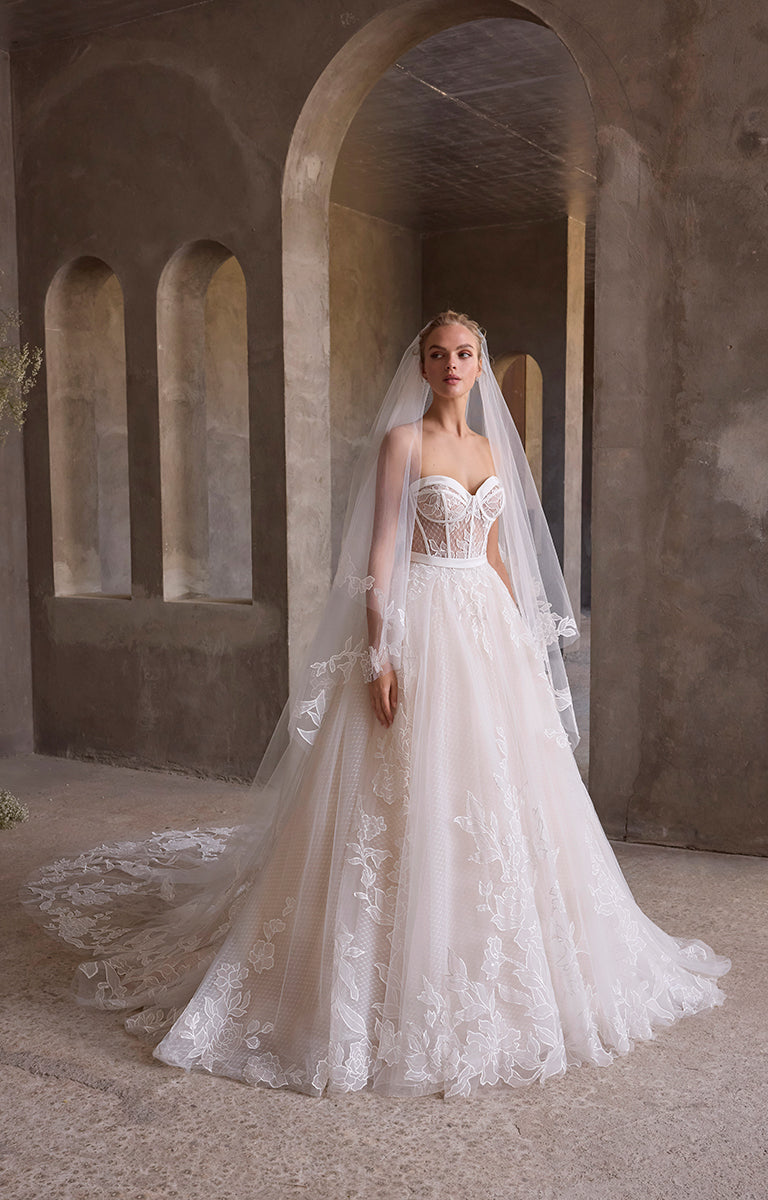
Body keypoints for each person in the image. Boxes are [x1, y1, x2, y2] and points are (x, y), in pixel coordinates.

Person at [23, 312, 729, 1098]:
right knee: (400, 787)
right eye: (439, 354)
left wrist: (526, 648)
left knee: (496, 789)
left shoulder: (492, 450)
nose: (452, 364)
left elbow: (495, 551)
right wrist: (380, 651)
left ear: (478, 362)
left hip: (484, 628)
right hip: (422, 619)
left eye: (464, 353)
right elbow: (381, 550)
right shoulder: (405, 442)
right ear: (422, 365)